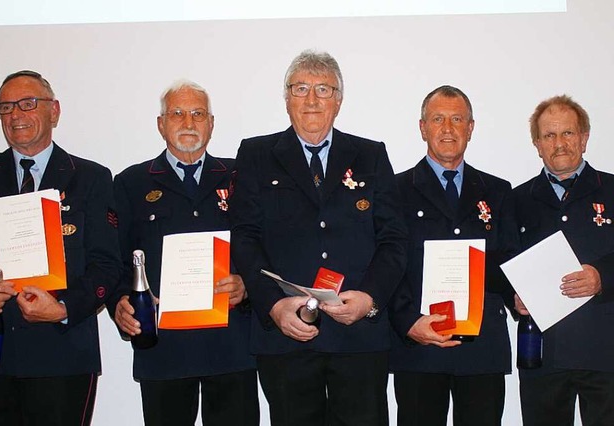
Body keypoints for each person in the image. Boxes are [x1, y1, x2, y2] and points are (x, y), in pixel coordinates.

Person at [229, 49, 407, 426]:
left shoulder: (370, 155)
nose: (312, 100)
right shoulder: (256, 154)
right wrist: (274, 306)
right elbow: (244, 238)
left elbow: (394, 239)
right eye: (301, 88)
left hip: (358, 335)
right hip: (286, 335)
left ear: (339, 101)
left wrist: (370, 299)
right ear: (286, 98)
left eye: (323, 89)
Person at [107, 80, 259, 426]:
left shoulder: (241, 176)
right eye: (176, 113)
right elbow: (113, 259)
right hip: (165, 351)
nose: (188, 123)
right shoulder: (130, 183)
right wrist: (119, 302)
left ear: (211, 123)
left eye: (197, 114)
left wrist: (248, 287)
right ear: (161, 124)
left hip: (231, 347)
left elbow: (265, 247)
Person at [0, 70, 121, 425]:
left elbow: (108, 266)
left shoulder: (91, 177)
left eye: (27, 104)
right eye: (6, 107)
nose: (15, 115)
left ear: (53, 111)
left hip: (64, 352)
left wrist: (64, 308)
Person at [389, 85, 519, 426]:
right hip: (419, 345)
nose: (447, 128)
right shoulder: (394, 191)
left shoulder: (498, 191)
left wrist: (520, 295)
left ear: (470, 128)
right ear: (422, 128)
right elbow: (386, 264)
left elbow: (507, 260)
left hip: (482, 348)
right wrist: (407, 324)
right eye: (438, 119)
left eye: (457, 119)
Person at [513, 95, 614, 426]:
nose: (559, 144)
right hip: (543, 356)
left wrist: (603, 277)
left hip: (605, 352)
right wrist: (511, 296)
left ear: (584, 138)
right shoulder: (516, 200)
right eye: (549, 136)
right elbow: (498, 263)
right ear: (537, 144)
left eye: (568, 133)